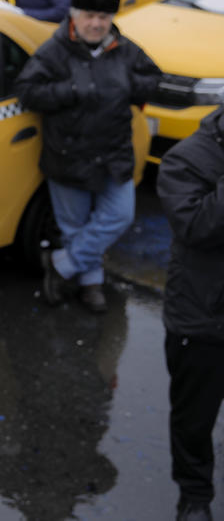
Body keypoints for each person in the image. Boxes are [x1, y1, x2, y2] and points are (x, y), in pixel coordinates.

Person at [14, 0, 160, 312]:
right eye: (90, 16)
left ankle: (62, 265)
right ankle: (91, 285)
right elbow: (26, 91)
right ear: (75, 16)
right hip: (69, 158)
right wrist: (68, 91)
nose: (96, 24)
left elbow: (153, 78)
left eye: (104, 17)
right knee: (74, 228)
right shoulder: (54, 51)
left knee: (120, 216)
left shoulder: (124, 49)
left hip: (114, 156)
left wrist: (129, 85)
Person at [156, 106, 224, 521]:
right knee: (194, 421)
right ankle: (195, 496)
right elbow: (197, 226)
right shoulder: (186, 158)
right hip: (202, 319)